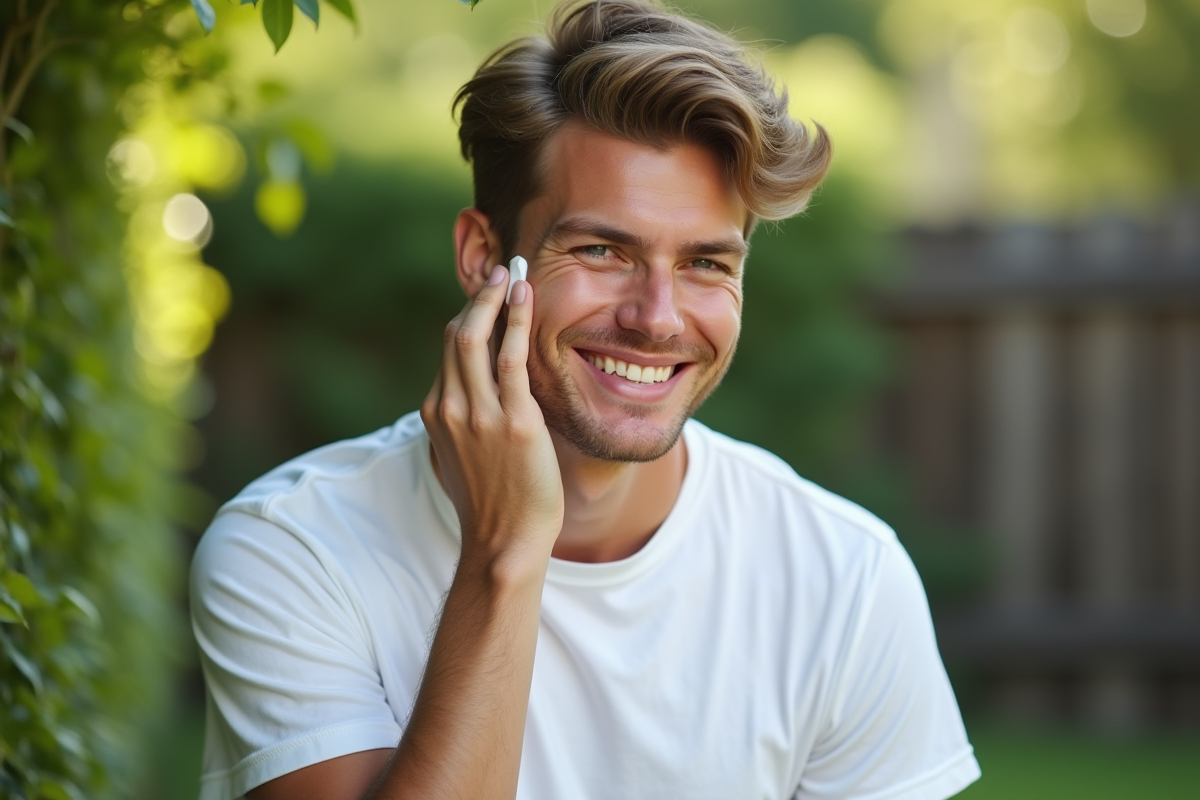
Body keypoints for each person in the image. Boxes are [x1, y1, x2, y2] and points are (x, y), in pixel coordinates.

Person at [190, 2, 982, 798]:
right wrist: (505, 556)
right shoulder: (292, 551)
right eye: (603, 250)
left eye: (707, 264)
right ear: (482, 254)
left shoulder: (844, 580)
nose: (658, 318)